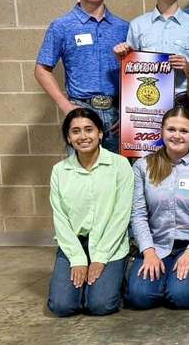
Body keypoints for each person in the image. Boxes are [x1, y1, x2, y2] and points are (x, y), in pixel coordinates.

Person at [126, 106, 189, 310]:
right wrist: (148, 252)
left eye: (184, 131)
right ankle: (165, 279)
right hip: (156, 246)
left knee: (182, 296)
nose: (177, 136)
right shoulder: (143, 166)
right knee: (139, 297)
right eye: (171, 130)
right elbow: (139, 214)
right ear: (162, 131)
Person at [35, 0, 129, 152]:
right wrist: (66, 106)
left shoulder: (124, 27)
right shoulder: (62, 26)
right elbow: (41, 70)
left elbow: (134, 72)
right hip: (81, 113)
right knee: (81, 177)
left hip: (117, 117)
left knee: (118, 177)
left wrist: (128, 114)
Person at [47, 108, 134, 317]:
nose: (83, 136)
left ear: (100, 133)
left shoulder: (120, 165)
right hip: (74, 244)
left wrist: (100, 257)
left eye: (89, 130)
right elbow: (60, 218)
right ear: (68, 137)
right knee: (62, 306)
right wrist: (77, 259)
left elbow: (121, 216)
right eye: (75, 131)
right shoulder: (59, 171)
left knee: (100, 305)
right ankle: (83, 281)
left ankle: (114, 278)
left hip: (109, 243)